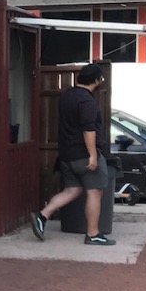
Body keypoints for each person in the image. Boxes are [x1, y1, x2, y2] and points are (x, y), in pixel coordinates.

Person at [31, 63, 115, 246]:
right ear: (96, 80)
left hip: (66, 154)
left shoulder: (66, 95)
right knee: (95, 192)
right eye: (100, 79)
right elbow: (88, 130)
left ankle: (42, 216)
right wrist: (93, 155)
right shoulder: (87, 101)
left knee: (72, 190)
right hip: (83, 155)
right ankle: (93, 234)